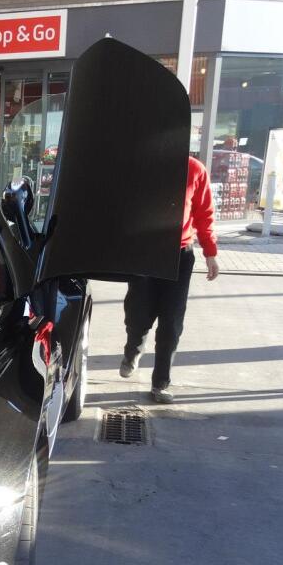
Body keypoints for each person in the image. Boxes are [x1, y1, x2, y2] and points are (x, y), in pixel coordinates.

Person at [120, 155, 219, 403]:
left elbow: (204, 212)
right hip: (145, 249)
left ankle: (160, 383)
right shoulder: (144, 163)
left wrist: (210, 253)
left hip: (179, 254)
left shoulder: (195, 169)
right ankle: (133, 349)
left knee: (171, 321)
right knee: (138, 313)